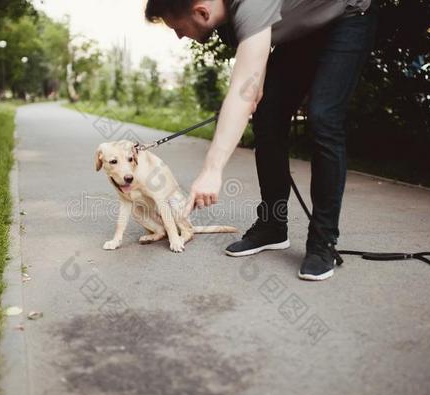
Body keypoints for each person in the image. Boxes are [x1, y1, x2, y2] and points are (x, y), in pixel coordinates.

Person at [145, 0, 379, 281]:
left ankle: (322, 241)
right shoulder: (229, 16)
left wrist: (211, 171)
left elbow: (242, 92)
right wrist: (256, 84)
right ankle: (272, 225)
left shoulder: (250, 3)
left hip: (348, 16)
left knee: (323, 117)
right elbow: (254, 66)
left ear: (201, 12)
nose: (179, 36)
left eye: (177, 28)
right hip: (302, 31)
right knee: (268, 113)